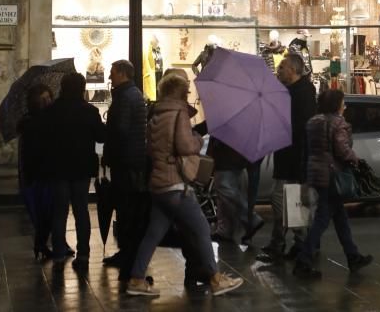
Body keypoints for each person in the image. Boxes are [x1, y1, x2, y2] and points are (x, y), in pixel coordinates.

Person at [126, 69, 243, 297]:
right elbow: (185, 146)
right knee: (201, 229)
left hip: (159, 183)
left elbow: (151, 148)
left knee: (153, 233)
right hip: (175, 184)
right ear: (180, 93)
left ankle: (137, 278)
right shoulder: (178, 114)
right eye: (187, 90)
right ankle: (216, 278)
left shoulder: (156, 114)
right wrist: (198, 139)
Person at [294, 89, 373, 279]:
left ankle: (352, 255)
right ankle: (303, 260)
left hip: (316, 173)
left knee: (340, 217)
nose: (344, 105)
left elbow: (307, 150)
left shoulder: (313, 122)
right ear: (336, 104)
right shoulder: (338, 123)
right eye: (342, 102)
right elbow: (342, 150)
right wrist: (357, 160)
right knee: (323, 218)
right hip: (332, 175)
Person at [257, 53, 316, 264]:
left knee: (284, 200)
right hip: (289, 157)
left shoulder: (301, 93)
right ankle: (297, 243)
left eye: (282, 67)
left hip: (294, 158)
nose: (278, 70)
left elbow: (299, 126)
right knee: (291, 201)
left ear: (292, 70)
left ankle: (285, 243)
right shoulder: (291, 91)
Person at [43, 72, 106, 271]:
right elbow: (101, 137)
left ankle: (60, 253)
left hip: (59, 166)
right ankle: (84, 254)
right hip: (81, 167)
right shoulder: (89, 111)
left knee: (60, 211)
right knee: (81, 210)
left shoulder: (52, 111)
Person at [102, 59, 149, 283]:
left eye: (112, 72)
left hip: (126, 160)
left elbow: (120, 130)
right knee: (127, 208)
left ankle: (128, 255)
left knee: (126, 208)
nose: (110, 76)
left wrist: (107, 141)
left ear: (122, 73)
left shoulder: (125, 97)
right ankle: (127, 252)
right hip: (131, 159)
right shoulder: (133, 94)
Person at [18, 83, 59, 261]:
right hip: (35, 173)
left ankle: (41, 244)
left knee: (50, 213)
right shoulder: (29, 122)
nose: (48, 101)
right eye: (43, 99)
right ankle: (41, 244)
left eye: (49, 97)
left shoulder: (52, 118)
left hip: (49, 171)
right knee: (40, 213)